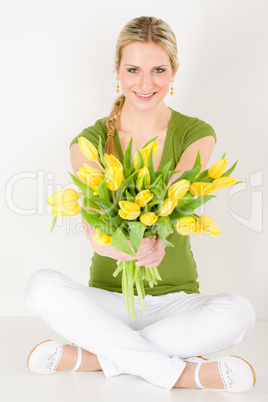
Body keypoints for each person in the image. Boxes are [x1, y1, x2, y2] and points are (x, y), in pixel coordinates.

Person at [26, 16, 256, 392]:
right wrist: (129, 247)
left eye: (158, 70)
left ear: (174, 72)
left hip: (177, 304)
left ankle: (96, 358)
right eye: (133, 69)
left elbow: (176, 203)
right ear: (117, 71)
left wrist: (159, 237)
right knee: (40, 286)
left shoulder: (196, 134)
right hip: (107, 304)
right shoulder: (90, 141)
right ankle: (182, 374)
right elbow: (98, 237)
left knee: (240, 313)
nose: (145, 84)